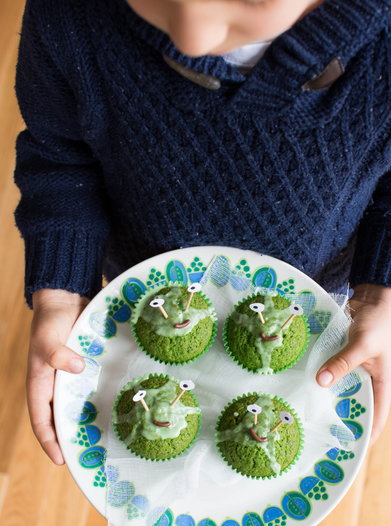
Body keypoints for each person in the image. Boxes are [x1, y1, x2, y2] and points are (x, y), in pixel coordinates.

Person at [14, 0, 391, 466]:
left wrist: (379, 293)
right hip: (145, 286)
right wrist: (61, 291)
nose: (190, 36)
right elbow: (59, 158)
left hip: (317, 285)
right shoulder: (66, 16)